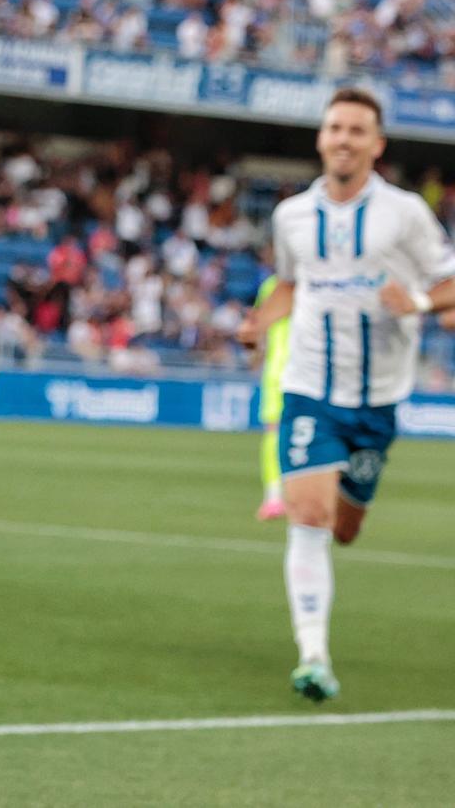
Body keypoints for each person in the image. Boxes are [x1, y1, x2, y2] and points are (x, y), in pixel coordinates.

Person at [238, 87, 455, 702]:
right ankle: (313, 657)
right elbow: (287, 285)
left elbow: (449, 281)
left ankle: (318, 618)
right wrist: (260, 323)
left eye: (357, 131)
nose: (343, 139)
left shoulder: (406, 213)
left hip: (379, 398)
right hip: (308, 389)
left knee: (347, 527)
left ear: (377, 145)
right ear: (320, 138)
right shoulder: (293, 217)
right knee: (308, 515)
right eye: (335, 128)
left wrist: (414, 302)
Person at [253, 267, 292, 521]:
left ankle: (274, 497)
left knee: (274, 433)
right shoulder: (322, 281)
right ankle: (279, 497)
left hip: (279, 369)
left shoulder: (271, 285)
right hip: (309, 369)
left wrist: (255, 352)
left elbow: (256, 328)